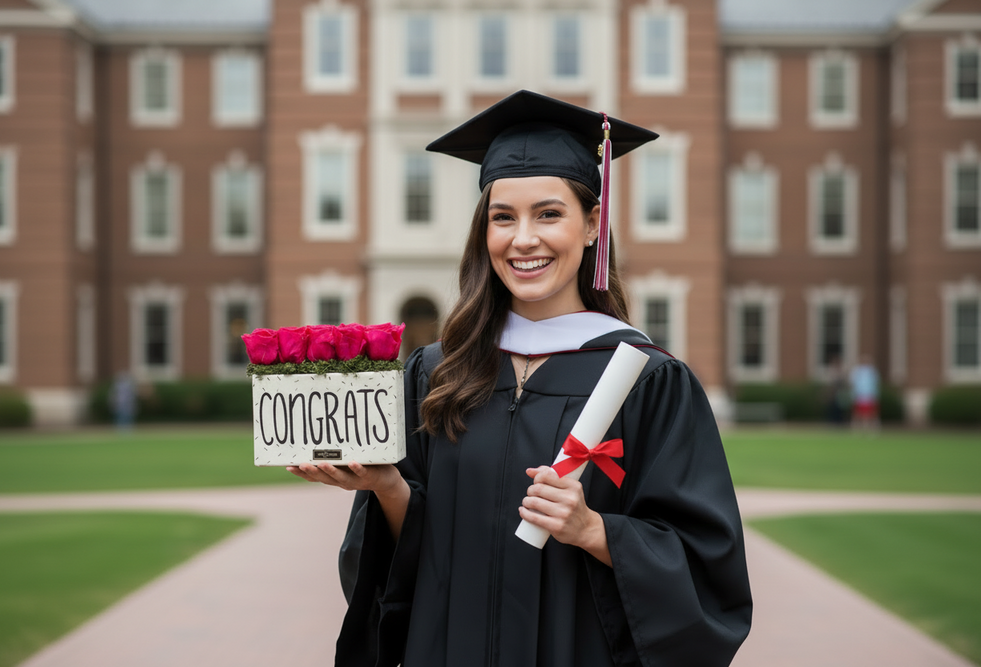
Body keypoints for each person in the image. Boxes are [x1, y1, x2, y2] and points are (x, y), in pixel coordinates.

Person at [288, 91, 752, 667]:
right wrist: (386, 487)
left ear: (591, 227)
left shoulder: (648, 382)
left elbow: (707, 568)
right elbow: (405, 563)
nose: (523, 239)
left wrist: (594, 530)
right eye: (502, 217)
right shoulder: (435, 372)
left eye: (549, 213)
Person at [849, 354, 880, 431]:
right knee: (858, 413)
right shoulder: (857, 371)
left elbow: (876, 383)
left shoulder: (872, 371)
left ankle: (871, 427)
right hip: (859, 395)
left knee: (871, 413)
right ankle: (857, 427)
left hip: (869, 395)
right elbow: (852, 383)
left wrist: (875, 394)